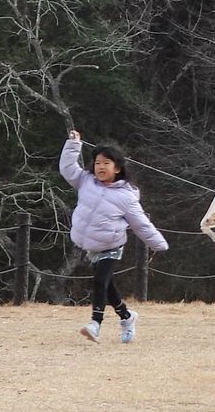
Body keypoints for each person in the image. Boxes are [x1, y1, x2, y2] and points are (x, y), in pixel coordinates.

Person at [61, 132, 168, 343]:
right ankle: (127, 317)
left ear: (117, 168)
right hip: (92, 248)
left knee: (100, 280)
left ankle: (95, 324)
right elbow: (67, 168)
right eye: (97, 162)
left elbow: (141, 224)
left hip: (111, 247)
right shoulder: (85, 181)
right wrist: (73, 144)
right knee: (108, 288)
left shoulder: (126, 197)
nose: (100, 167)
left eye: (106, 163)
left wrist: (159, 244)